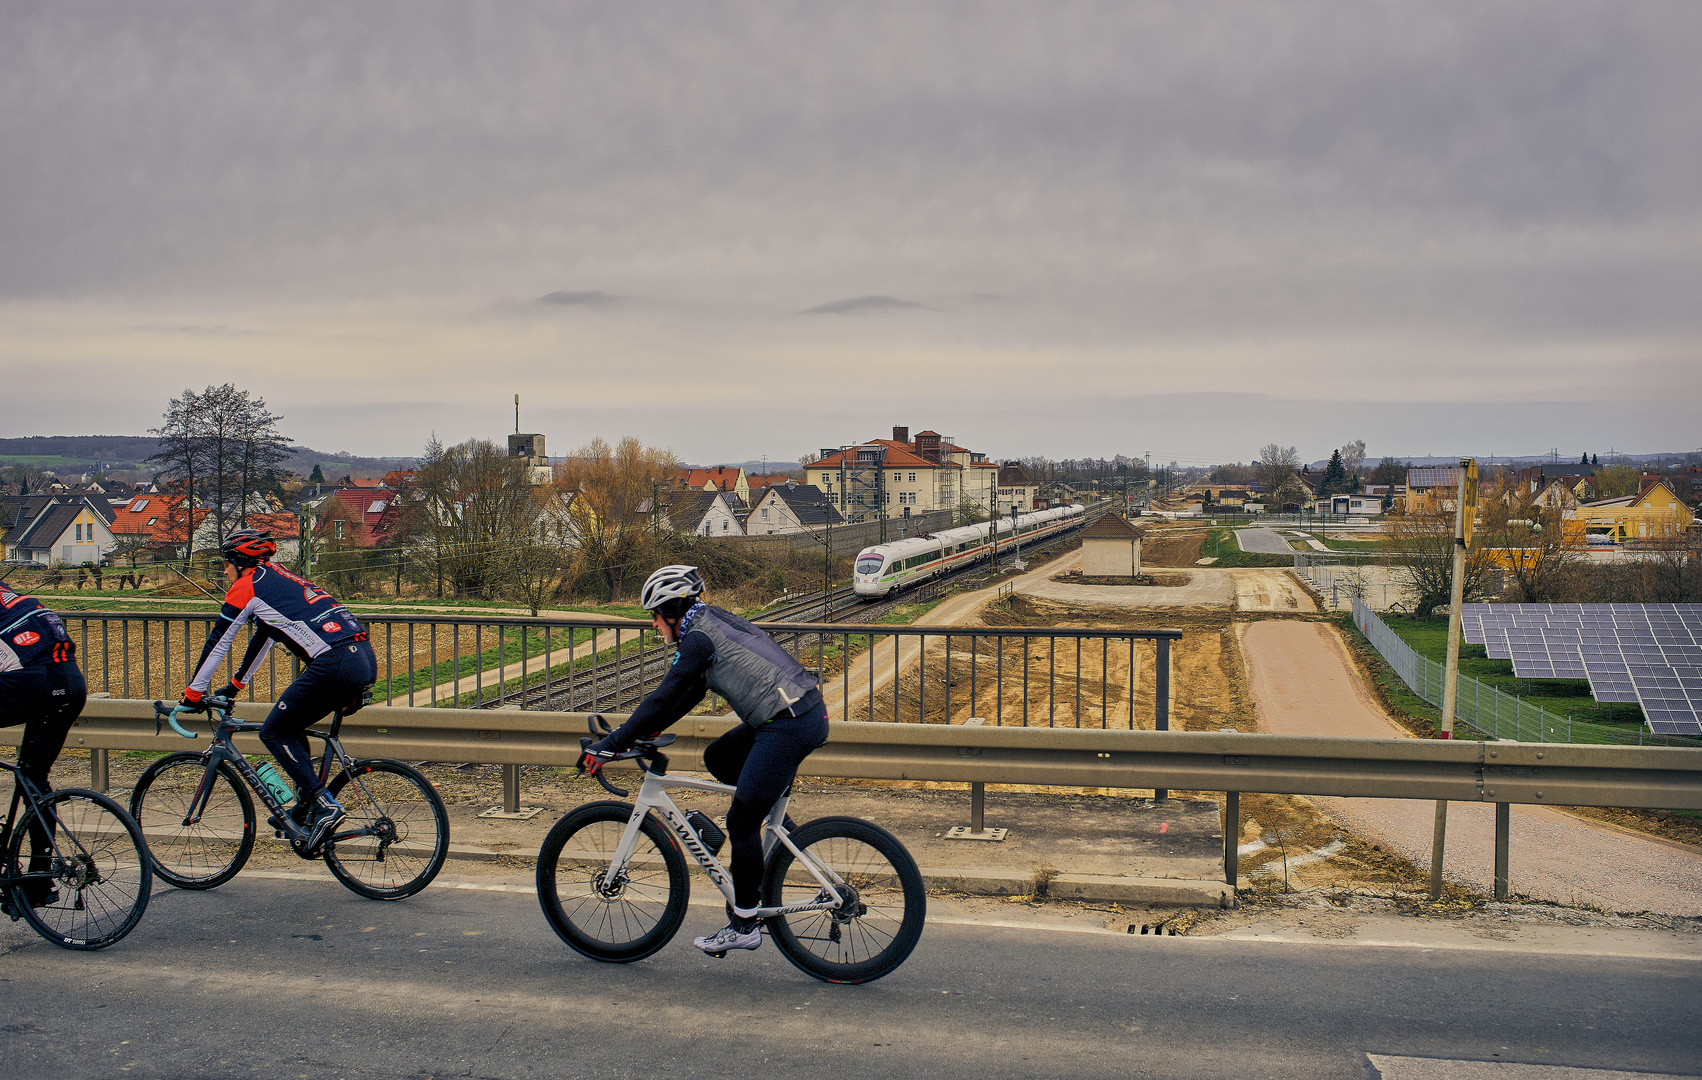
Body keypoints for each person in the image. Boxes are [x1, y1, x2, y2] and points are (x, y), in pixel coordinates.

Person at [582, 564, 829, 956]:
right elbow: (689, 693)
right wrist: (643, 731)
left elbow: (664, 696)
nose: (653, 626)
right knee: (719, 758)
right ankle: (782, 843)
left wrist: (613, 742)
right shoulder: (707, 624)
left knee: (740, 820)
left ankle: (745, 924)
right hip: (791, 714)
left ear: (672, 611)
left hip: (788, 723)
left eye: (655, 617)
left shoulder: (698, 639)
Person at [175, 529, 376, 851]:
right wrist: (235, 686)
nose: (224, 571)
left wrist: (193, 693)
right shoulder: (281, 579)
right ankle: (305, 808)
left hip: (335, 662)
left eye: (226, 564)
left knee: (273, 732)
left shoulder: (247, 585)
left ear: (240, 562)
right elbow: (265, 636)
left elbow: (219, 641)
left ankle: (324, 804)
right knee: (291, 726)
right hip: (361, 657)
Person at [0, 583, 86, 907]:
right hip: (71, 682)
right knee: (34, 778)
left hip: (34, 681)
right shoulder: (11, 596)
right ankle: (39, 882)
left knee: (33, 776)